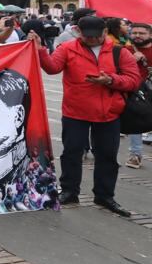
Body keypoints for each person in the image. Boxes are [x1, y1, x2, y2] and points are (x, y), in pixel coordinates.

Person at [29, 16, 142, 216]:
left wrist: (110, 80)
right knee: (71, 153)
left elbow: (133, 80)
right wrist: (40, 49)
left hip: (109, 112)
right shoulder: (68, 48)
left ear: (105, 33)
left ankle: (105, 195)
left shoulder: (119, 51)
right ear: (79, 32)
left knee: (107, 155)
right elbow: (52, 68)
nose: (92, 40)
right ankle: (70, 191)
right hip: (75, 112)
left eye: (96, 36)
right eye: (87, 36)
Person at [125, 22, 152, 168]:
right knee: (137, 120)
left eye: (142, 33)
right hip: (137, 91)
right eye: (134, 33)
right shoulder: (125, 50)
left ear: (150, 35)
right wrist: (131, 59)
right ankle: (135, 155)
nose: (138, 36)